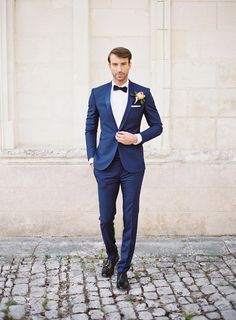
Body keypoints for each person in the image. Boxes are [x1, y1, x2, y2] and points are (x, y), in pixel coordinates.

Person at [85, 47, 163, 290]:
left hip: (132, 167)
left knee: (131, 218)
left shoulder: (143, 94)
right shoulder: (97, 93)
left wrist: (136, 138)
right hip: (105, 165)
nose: (119, 70)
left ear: (130, 65)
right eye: (115, 64)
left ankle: (123, 269)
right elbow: (90, 128)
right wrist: (91, 159)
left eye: (124, 64)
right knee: (106, 218)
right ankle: (112, 254)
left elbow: (157, 126)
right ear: (109, 65)